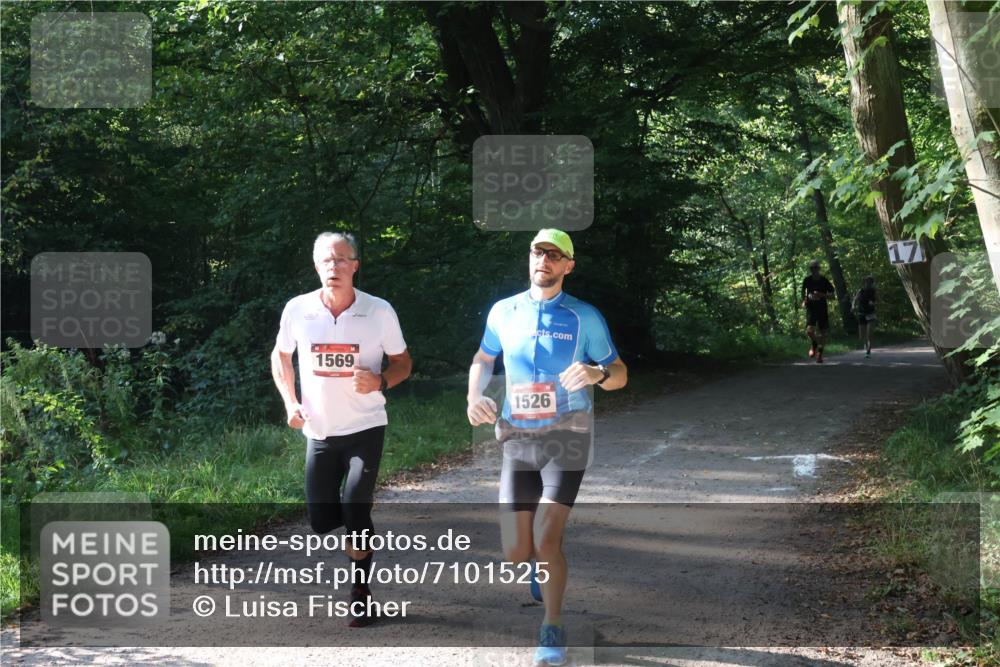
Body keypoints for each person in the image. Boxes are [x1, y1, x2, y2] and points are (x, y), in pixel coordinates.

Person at [466, 229, 627, 666]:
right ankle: (538, 564)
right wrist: (474, 396)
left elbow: (619, 372)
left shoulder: (584, 317)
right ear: (530, 258)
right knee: (516, 551)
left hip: (567, 435)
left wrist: (596, 374)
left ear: (568, 266)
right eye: (539, 252)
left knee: (547, 536)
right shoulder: (504, 311)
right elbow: (483, 358)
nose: (545, 260)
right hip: (518, 438)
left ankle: (551, 627)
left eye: (555, 255)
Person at [271, 231, 412, 627]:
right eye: (326, 260)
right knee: (321, 521)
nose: (334, 266)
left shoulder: (378, 311)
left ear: (355, 265)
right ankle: (353, 536)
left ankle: (360, 591)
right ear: (317, 266)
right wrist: (290, 402)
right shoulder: (298, 309)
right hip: (319, 432)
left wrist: (380, 381)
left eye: (341, 259)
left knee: (355, 508)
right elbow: (280, 355)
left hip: (365, 427)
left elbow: (403, 363)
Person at [801, 259, 836, 364]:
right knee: (809, 331)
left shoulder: (824, 280)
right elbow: (804, 293)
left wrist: (821, 295)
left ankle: (819, 353)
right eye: (812, 268)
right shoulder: (807, 280)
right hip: (811, 309)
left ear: (819, 268)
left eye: (816, 267)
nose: (814, 269)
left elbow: (833, 296)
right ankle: (815, 344)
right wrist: (805, 300)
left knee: (823, 332)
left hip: (822, 308)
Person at [853, 276, 877, 357]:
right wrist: (853, 306)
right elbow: (855, 299)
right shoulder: (861, 291)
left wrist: (873, 303)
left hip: (870, 313)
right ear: (864, 283)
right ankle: (866, 345)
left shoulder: (874, 291)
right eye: (867, 282)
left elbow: (878, 300)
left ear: (872, 283)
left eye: (870, 282)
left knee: (869, 333)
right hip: (861, 313)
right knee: (862, 335)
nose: (868, 283)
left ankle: (869, 349)